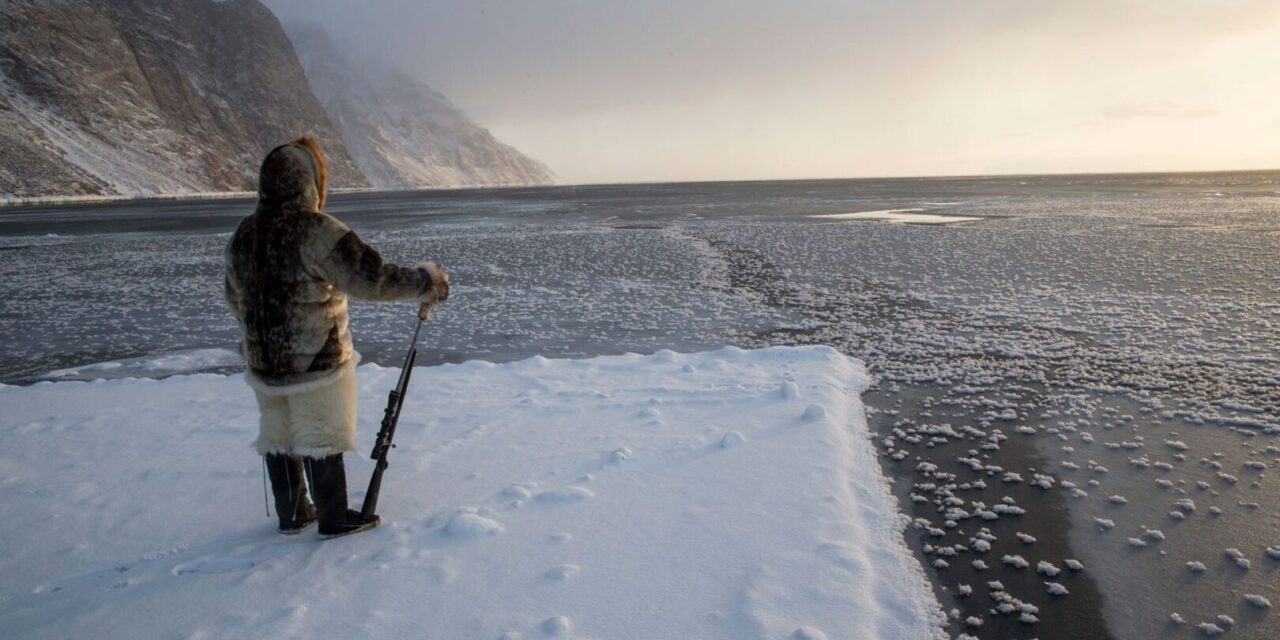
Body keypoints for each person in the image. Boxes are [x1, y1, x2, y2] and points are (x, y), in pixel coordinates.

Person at [223, 136, 448, 538]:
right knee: (322, 430)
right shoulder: (316, 230)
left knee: (281, 431)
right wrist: (423, 281)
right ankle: (334, 516)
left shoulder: (245, 233)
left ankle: (292, 513)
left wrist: (260, 335)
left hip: (264, 360)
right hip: (316, 357)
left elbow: (233, 296)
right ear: (308, 181)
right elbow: (370, 278)